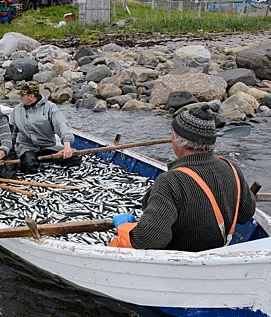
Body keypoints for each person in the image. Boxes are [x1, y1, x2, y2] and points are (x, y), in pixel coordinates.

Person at [109, 105, 257, 251]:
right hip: (216, 253)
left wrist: (124, 227)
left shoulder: (171, 181)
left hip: (176, 264)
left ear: (177, 140)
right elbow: (245, 214)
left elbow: (148, 240)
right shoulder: (231, 168)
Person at [9, 83, 81, 174]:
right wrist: (8, 150)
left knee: (74, 159)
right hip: (27, 148)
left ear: (31, 96)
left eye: (22, 95)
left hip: (48, 146)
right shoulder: (17, 110)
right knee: (29, 166)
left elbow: (61, 125)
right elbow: (12, 132)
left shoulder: (50, 108)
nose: (20, 97)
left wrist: (67, 146)